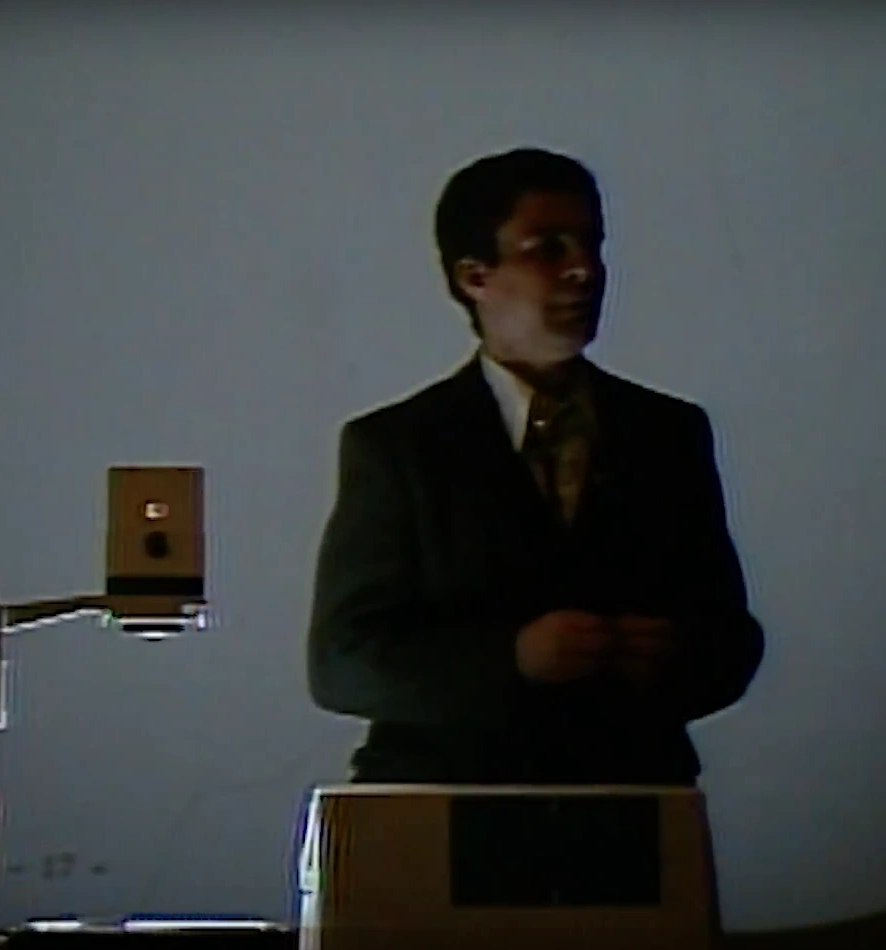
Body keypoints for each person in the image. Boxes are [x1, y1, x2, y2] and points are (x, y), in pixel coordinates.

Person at [306, 147, 764, 786]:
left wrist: (674, 658)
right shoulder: (398, 446)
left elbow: (732, 639)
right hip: (446, 810)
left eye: (591, 245)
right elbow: (342, 662)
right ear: (474, 277)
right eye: (547, 248)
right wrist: (510, 659)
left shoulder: (668, 433)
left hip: (629, 806)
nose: (584, 270)